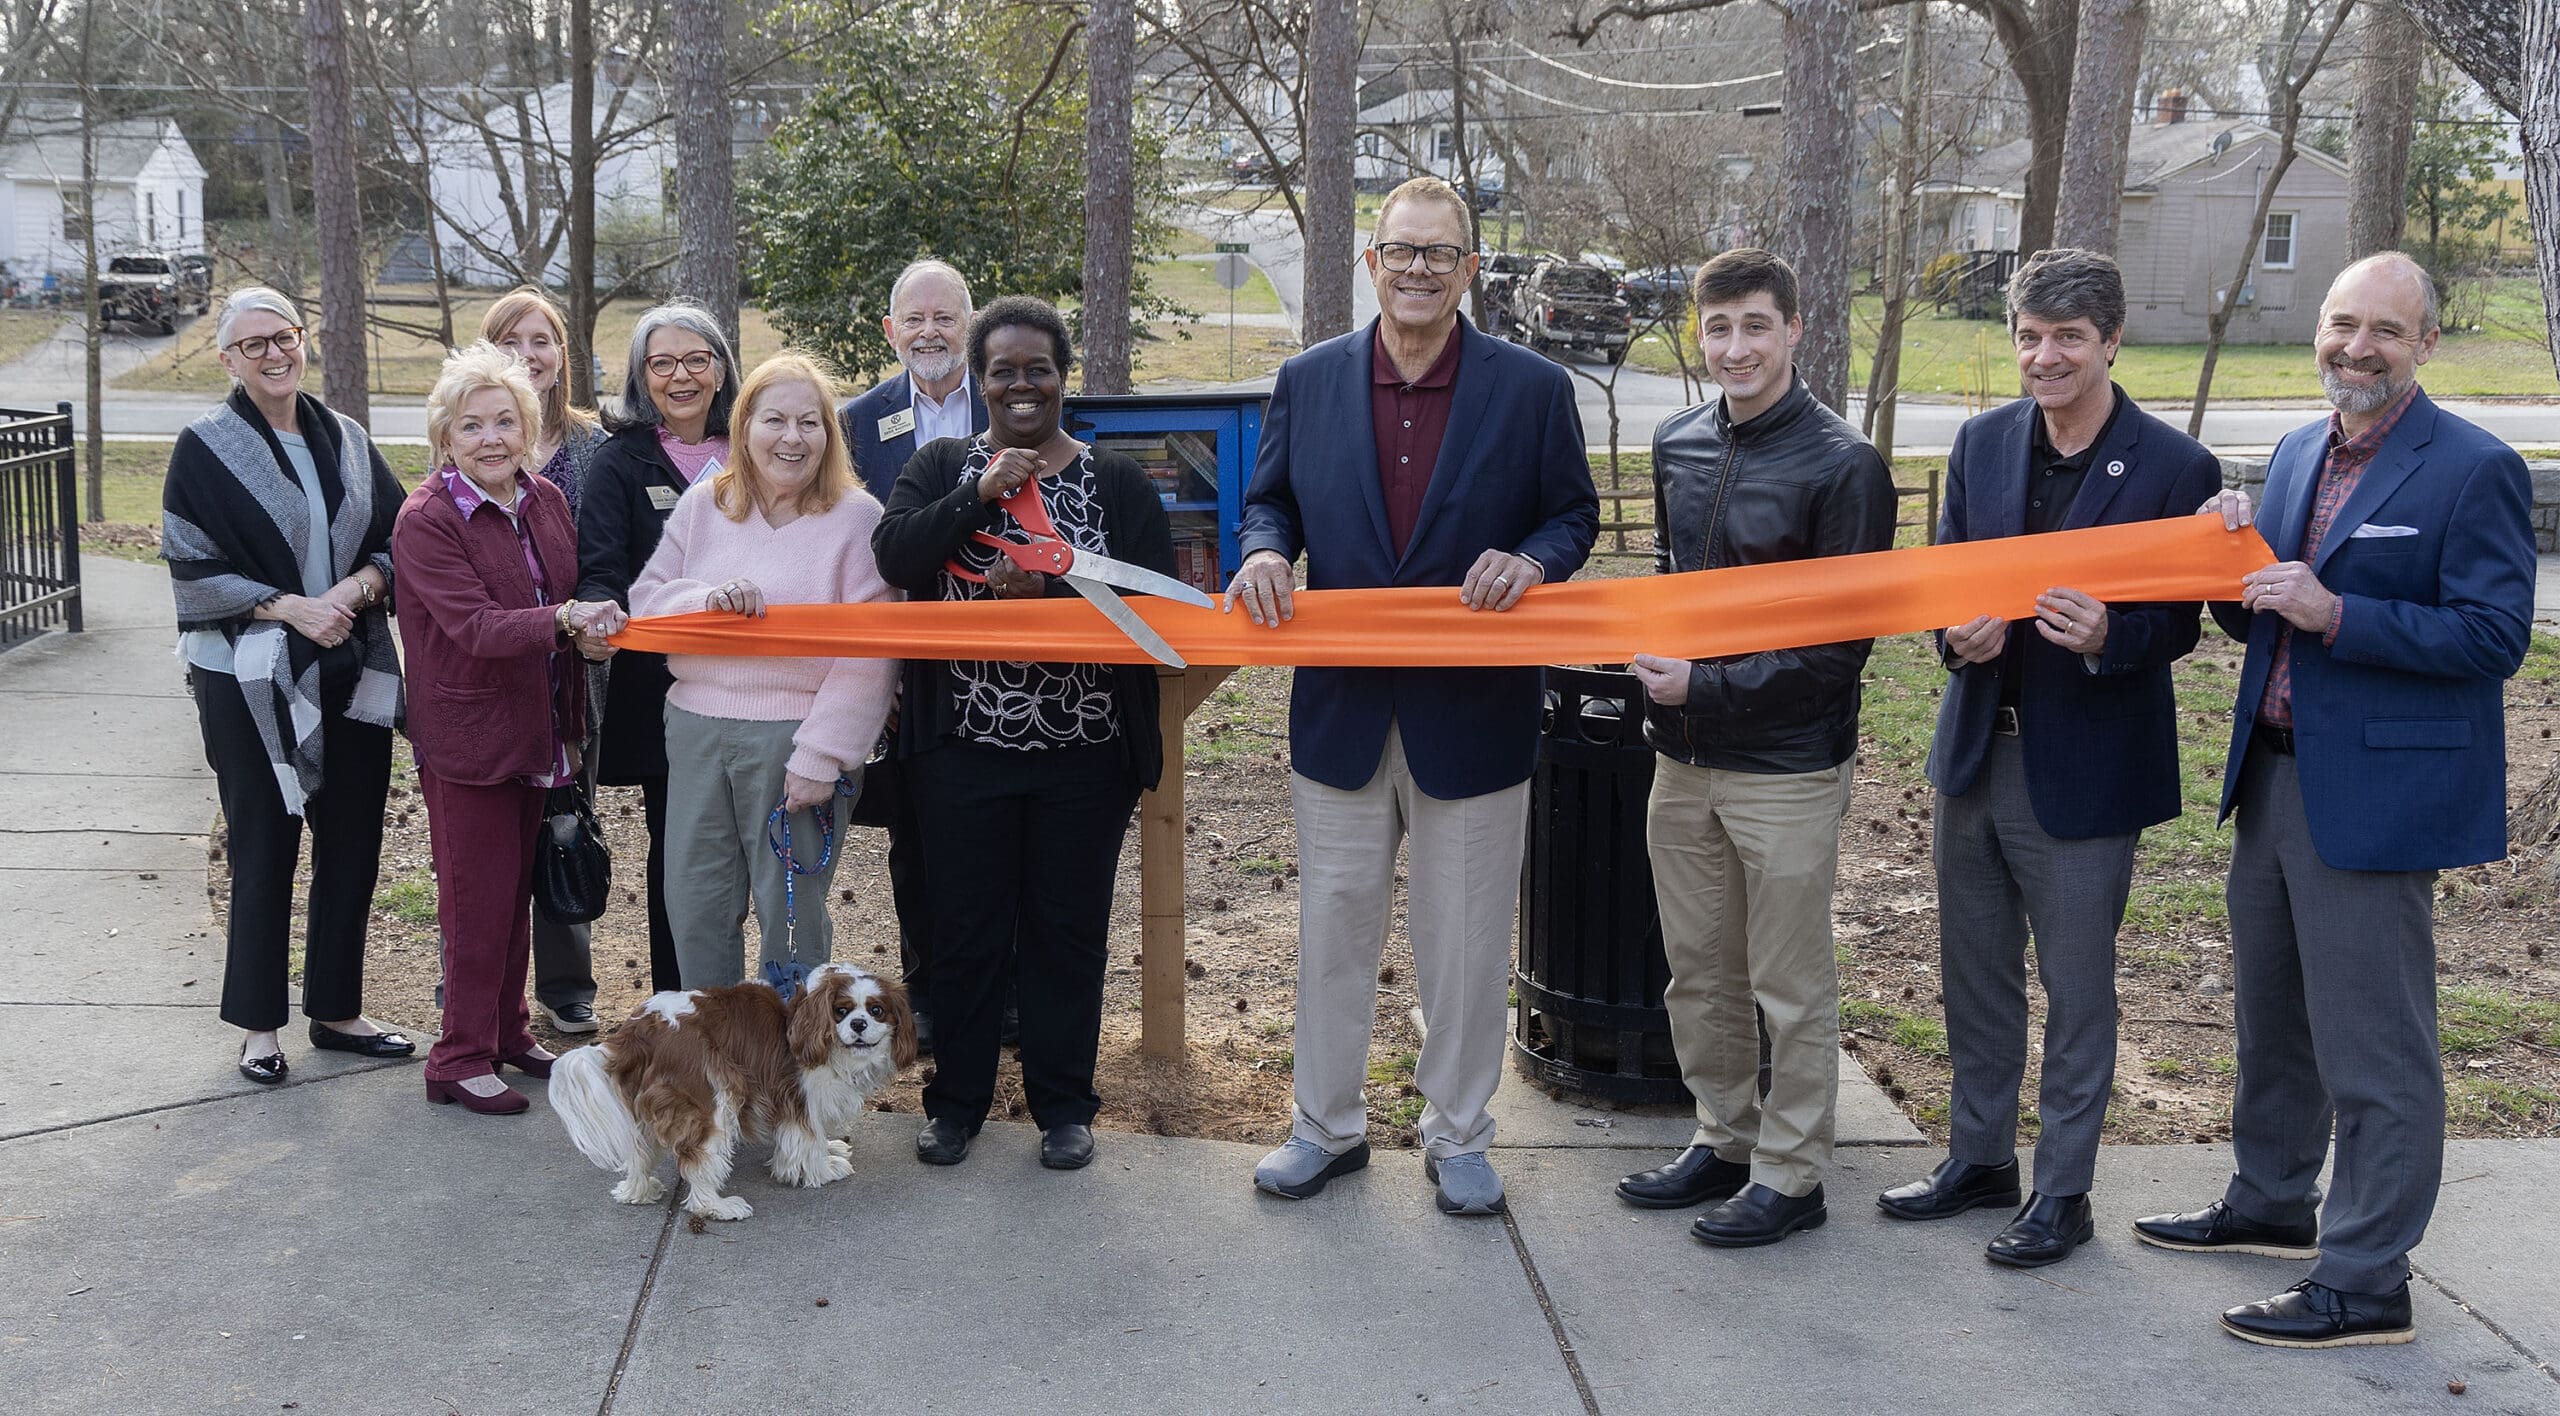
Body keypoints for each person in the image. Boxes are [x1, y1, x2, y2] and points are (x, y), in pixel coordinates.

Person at [2137, 252, 2537, 1347]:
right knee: (2274, 1017)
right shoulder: (2297, 451)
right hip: (2270, 774)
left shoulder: (2475, 467)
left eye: (2386, 331)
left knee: (2374, 1047)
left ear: (2427, 346)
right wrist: (2226, 560)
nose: (2358, 348)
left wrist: (2337, 614)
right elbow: (2263, 616)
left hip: (2375, 795)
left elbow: (2494, 637)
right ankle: (2272, 1199)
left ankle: (2365, 1279)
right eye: (2342, 323)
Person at [1227, 176, 1599, 1216]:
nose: (1420, 269)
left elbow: (1572, 516)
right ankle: (1324, 1128)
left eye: (1441, 253)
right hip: (1341, 715)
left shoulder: (1531, 389)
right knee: (1333, 933)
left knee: (1467, 947)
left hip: (1474, 718)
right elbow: (1269, 502)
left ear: (1470, 268)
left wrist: (1532, 560)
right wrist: (1263, 552)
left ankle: (1460, 1135)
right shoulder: (1307, 380)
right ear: (1372, 263)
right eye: (1403, 250)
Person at [1871, 249, 2225, 1268]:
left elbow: (2182, 624)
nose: (2046, 356)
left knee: (2077, 991)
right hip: (1975, 753)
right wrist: (1953, 637)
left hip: (2086, 772)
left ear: (2111, 340)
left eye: (2068, 337)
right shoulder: (1982, 444)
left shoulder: (2174, 467)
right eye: (2030, 337)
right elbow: (1946, 579)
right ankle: (1979, 1158)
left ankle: (2063, 1192)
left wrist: (2113, 634)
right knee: (1974, 975)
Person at [1607, 249, 1894, 1247]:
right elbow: (1672, 584)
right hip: (1681, 757)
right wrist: (1660, 664)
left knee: (1788, 982)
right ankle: (1724, 1137)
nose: (1735, 348)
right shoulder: (1677, 441)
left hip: (1787, 764)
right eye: (1718, 327)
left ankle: (1791, 1172)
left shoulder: (1844, 465)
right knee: (1698, 972)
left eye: (1756, 326)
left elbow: (1841, 648)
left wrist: (1707, 685)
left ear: (1794, 330)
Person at [873, 296, 1176, 1173]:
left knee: (1065, 934)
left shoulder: (1115, 483)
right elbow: (895, 556)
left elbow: (1157, 603)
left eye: (1037, 369)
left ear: (1062, 378)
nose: (1021, 385)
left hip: (1086, 755)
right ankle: (957, 1104)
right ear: (979, 380)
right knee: (964, 933)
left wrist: (1056, 593)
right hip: (960, 754)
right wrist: (978, 495)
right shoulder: (940, 466)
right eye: (1002, 370)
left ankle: (1064, 1106)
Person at [160, 286, 412, 1085]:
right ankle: (259, 1028)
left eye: (285, 336)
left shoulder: (347, 438)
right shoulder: (204, 448)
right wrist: (291, 607)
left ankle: (337, 1011)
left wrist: (352, 594)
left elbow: (402, 540)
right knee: (265, 843)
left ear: (303, 340)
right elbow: (190, 567)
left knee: (354, 840)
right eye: (254, 344)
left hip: (350, 665)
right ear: (227, 359)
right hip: (246, 679)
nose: (275, 354)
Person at [393, 343, 625, 1115]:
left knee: (515, 893)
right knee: (476, 904)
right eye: (471, 425)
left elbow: (563, 598)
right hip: (471, 742)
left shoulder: (543, 499)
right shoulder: (427, 519)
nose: (490, 439)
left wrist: (587, 636)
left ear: (527, 427)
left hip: (541, 728)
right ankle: (457, 1057)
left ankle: (506, 1031)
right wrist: (565, 620)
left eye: (504, 421)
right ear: (445, 436)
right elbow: (476, 626)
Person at [632, 352, 898, 991]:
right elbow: (646, 600)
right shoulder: (705, 505)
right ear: (744, 425)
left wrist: (823, 755)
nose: (791, 438)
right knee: (695, 902)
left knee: (791, 914)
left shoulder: (858, 518)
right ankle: (713, 1042)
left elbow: (872, 652)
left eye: (810, 422)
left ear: (829, 435)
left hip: (794, 736)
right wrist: (708, 600)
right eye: (774, 420)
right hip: (696, 729)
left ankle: (792, 1047)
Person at [837, 258, 989, 1050]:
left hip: (1005, 661)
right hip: (899, 662)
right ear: (889, 331)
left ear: (971, 326)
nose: (930, 332)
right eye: (915, 319)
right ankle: (926, 994)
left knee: (1003, 833)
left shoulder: (1012, 401)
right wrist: (876, 665)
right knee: (918, 837)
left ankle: (1005, 997)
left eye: (945, 317)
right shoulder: (855, 424)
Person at [576, 303, 741, 994]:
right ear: (642, 377)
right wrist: (599, 615)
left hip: (764, 686)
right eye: (662, 363)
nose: (681, 376)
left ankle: (758, 1009)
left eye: (696, 360)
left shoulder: (759, 446)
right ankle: (682, 1008)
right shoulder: (619, 461)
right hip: (666, 700)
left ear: (721, 369)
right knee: (682, 854)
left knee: (760, 854)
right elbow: (601, 566)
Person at [482, 286, 613, 1035]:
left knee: (566, 821)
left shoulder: (593, 447)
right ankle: (474, 979)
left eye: (542, 341)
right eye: (511, 341)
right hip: (493, 669)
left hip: (573, 673)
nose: (527, 356)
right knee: (487, 835)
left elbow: (607, 554)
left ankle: (566, 985)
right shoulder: (467, 436)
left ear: (564, 355)